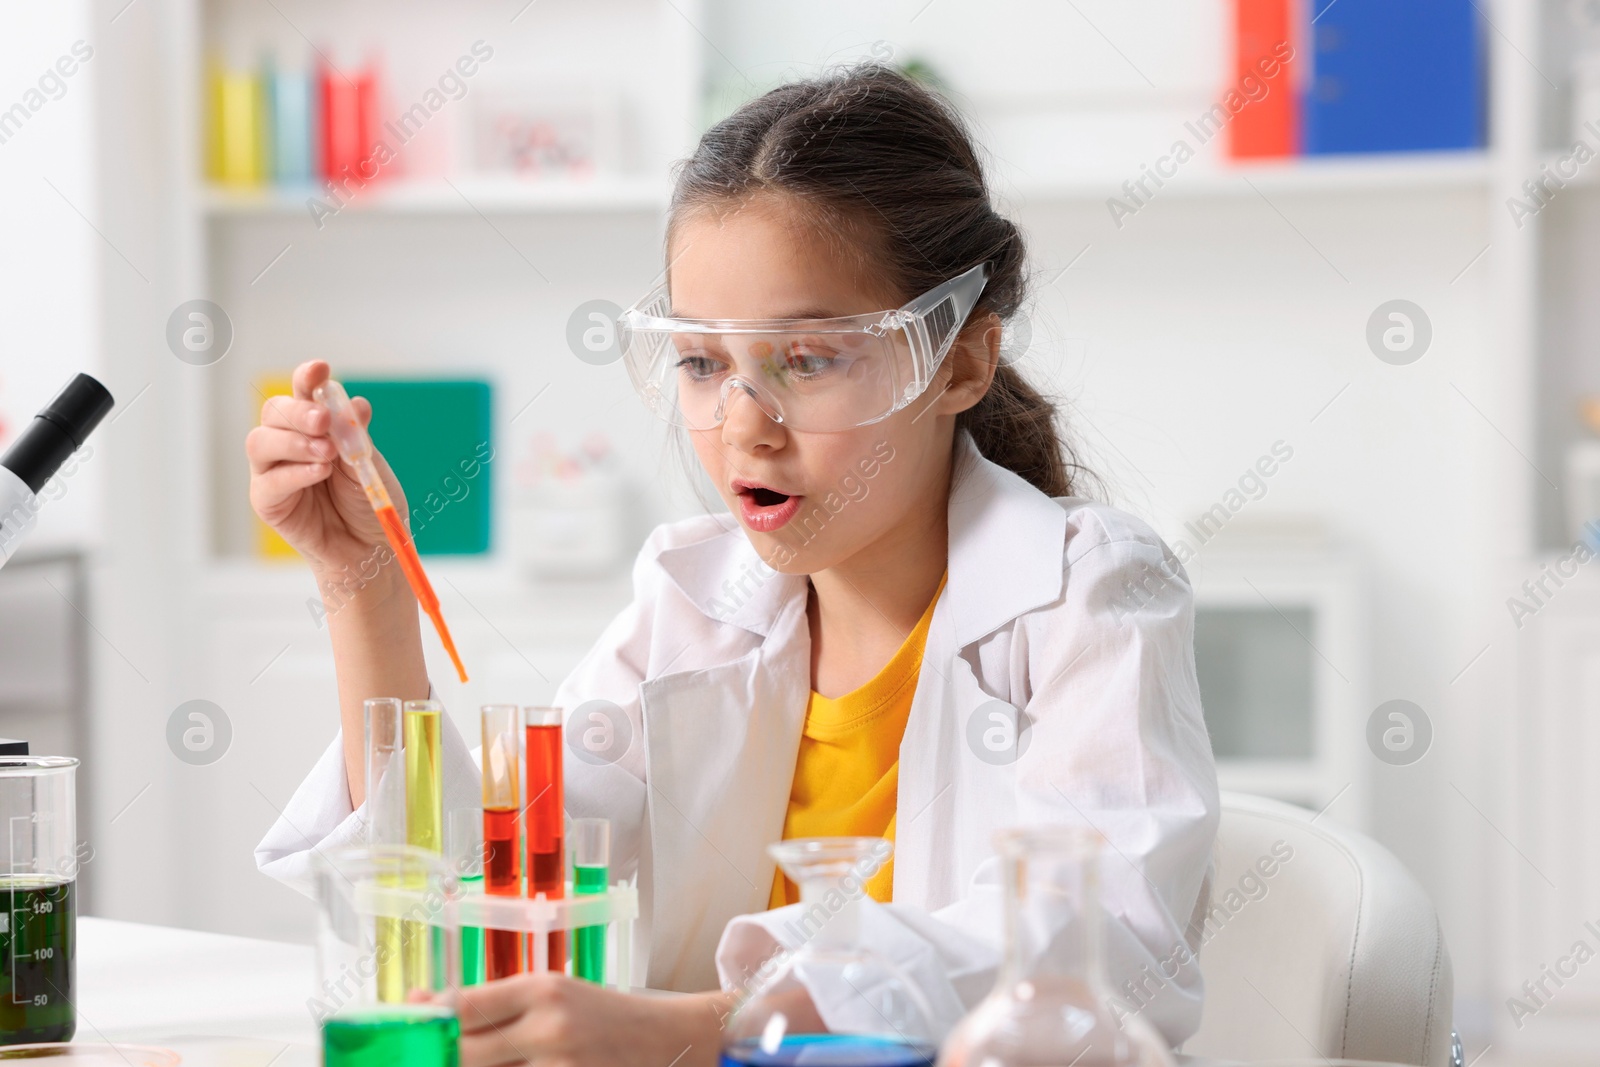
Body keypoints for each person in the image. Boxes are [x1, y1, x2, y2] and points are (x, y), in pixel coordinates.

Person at [251, 63, 1218, 1067]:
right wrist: (361, 582)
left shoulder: (1088, 594)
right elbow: (480, 885)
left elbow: (1099, 945)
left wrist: (693, 1030)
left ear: (960, 362)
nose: (743, 426)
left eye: (807, 359)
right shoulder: (689, 598)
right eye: (703, 363)